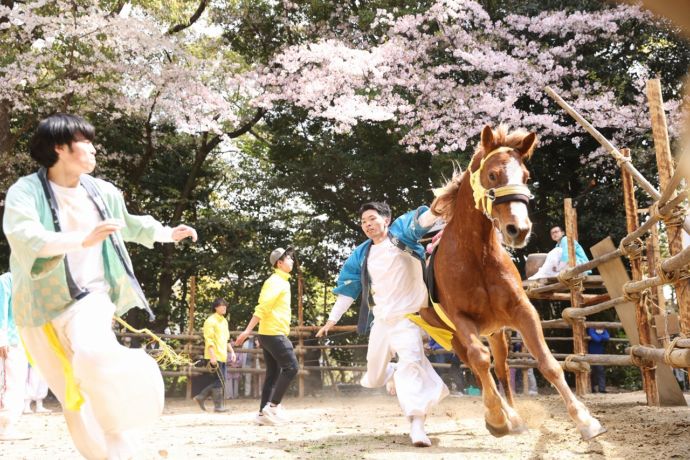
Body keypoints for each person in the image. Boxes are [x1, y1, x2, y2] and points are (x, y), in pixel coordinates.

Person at [2, 113, 198, 458]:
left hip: (91, 297)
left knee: (93, 355)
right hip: (39, 306)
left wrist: (168, 233)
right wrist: (82, 239)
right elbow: (24, 236)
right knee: (72, 395)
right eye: (86, 142)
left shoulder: (103, 191)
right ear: (60, 148)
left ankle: (136, 392)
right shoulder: (26, 191)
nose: (94, 149)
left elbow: (130, 225)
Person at [316, 202, 449, 447]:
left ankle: (417, 426)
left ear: (386, 220)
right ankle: (392, 373)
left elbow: (424, 220)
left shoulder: (401, 235)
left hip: (408, 318)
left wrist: (442, 204)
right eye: (364, 221)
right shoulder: (362, 254)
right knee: (375, 377)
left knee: (411, 364)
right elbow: (348, 290)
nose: (368, 224)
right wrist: (331, 320)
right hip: (382, 321)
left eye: (372, 218)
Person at [236, 247, 298, 426]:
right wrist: (248, 330)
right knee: (292, 368)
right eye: (289, 258)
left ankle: (262, 414)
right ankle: (272, 407)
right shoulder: (276, 282)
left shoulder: (281, 281)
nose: (292, 261)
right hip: (273, 333)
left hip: (269, 333)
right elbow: (262, 307)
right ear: (280, 263)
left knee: (273, 374)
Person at [0, 272, 30, 441]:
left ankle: (9, 425)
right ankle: (3, 426)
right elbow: (1, 309)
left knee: (18, 381)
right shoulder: (6, 280)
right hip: (8, 341)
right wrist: (1, 337)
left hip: (21, 340)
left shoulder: (29, 281)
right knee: (7, 383)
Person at [194, 298, 236, 413]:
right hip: (214, 355)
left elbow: (227, 340)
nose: (224, 308)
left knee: (221, 381)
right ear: (215, 307)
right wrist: (212, 357)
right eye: (221, 306)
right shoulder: (210, 321)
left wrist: (232, 352)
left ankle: (203, 398)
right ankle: (214, 404)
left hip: (222, 355)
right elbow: (209, 340)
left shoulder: (224, 321)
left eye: (225, 306)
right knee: (220, 380)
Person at [587, 327, 610, 393]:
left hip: (600, 355)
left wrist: (598, 336)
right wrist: (600, 336)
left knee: (601, 371)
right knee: (591, 372)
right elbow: (597, 339)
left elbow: (607, 337)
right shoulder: (591, 329)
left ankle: (602, 389)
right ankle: (592, 389)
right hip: (590, 355)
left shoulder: (604, 330)